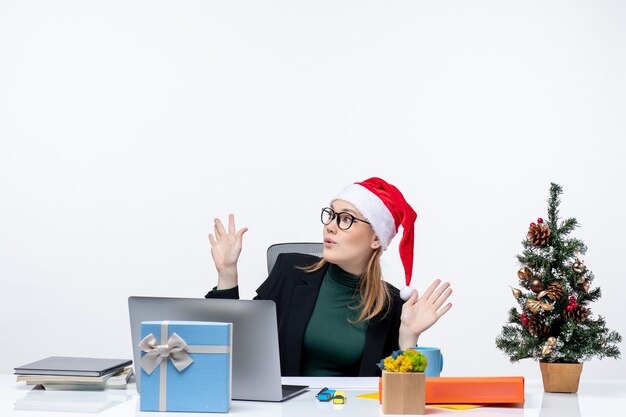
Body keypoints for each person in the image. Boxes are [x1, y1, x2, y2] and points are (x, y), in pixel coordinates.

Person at [205, 177, 452, 376]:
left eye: (346, 219)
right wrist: (227, 272)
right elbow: (236, 347)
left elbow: (398, 399)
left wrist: (409, 336)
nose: (330, 226)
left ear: (376, 238)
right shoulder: (290, 271)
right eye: (331, 215)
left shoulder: (393, 305)